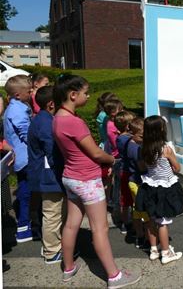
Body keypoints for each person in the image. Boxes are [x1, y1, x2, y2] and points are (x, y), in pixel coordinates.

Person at [52, 74, 141, 287]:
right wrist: (113, 160)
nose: (88, 95)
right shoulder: (75, 122)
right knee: (99, 228)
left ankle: (69, 268)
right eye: (85, 92)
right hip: (87, 181)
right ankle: (114, 276)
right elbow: (97, 154)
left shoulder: (57, 118)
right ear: (73, 95)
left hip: (71, 178)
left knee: (71, 224)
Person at [136, 115, 183, 264]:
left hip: (149, 187)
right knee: (163, 222)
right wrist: (171, 166)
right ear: (161, 131)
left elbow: (142, 167)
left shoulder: (143, 149)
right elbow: (177, 168)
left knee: (151, 219)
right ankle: (165, 253)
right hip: (165, 188)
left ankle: (153, 250)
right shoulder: (166, 149)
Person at [27, 86, 66, 264]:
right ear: (52, 104)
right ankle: (51, 251)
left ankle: (54, 246)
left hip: (46, 174)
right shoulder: (46, 123)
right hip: (49, 175)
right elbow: (52, 151)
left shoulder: (41, 119)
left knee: (53, 213)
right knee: (52, 214)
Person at [3, 75, 33, 243]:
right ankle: (24, 226)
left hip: (21, 157)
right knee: (26, 191)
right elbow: (27, 134)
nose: (31, 93)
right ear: (17, 95)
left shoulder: (16, 107)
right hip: (25, 157)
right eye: (28, 91)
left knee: (25, 189)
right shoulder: (18, 110)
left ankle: (25, 224)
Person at [120, 117, 150, 249]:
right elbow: (142, 167)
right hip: (137, 182)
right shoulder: (135, 149)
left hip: (133, 180)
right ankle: (143, 236)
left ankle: (140, 234)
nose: (144, 138)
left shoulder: (131, 143)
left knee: (137, 210)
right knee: (142, 212)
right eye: (142, 136)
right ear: (132, 133)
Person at [114, 110, 136, 235]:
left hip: (123, 170)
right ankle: (126, 222)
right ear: (128, 126)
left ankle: (125, 222)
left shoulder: (120, 137)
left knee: (126, 198)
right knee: (127, 199)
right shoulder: (126, 140)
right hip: (127, 171)